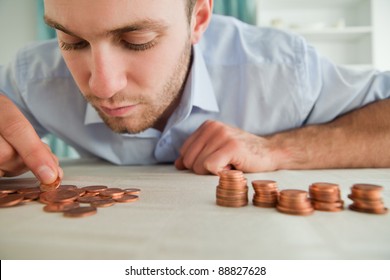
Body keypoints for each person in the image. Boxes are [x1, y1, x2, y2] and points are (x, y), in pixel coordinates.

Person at [1, 0, 390, 185]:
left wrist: (280, 148)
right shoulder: (31, 76)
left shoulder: (285, 69)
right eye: (71, 42)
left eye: (137, 40)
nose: (102, 86)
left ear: (198, 20)